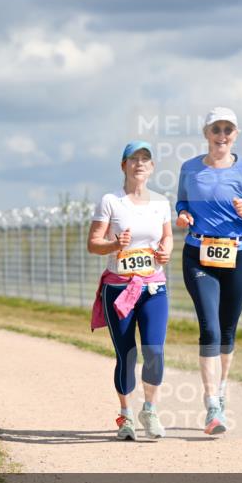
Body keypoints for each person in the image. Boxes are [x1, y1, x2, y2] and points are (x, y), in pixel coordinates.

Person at [176, 107, 242, 435]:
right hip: (199, 255)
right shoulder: (189, 169)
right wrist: (183, 215)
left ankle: (223, 387)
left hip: (239, 256)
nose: (222, 135)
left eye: (228, 129)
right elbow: (181, 204)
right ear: (206, 133)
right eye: (217, 129)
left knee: (227, 331)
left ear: (236, 135)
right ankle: (212, 404)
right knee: (210, 329)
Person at [89, 141, 173, 441]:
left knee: (155, 352)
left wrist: (165, 252)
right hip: (119, 289)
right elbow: (93, 243)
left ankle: (149, 410)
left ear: (152, 168)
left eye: (145, 159)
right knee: (126, 354)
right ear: (123, 165)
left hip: (153, 286)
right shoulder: (110, 201)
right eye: (133, 159)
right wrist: (115, 245)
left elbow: (167, 238)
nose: (139, 164)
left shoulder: (161, 203)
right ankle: (125, 417)